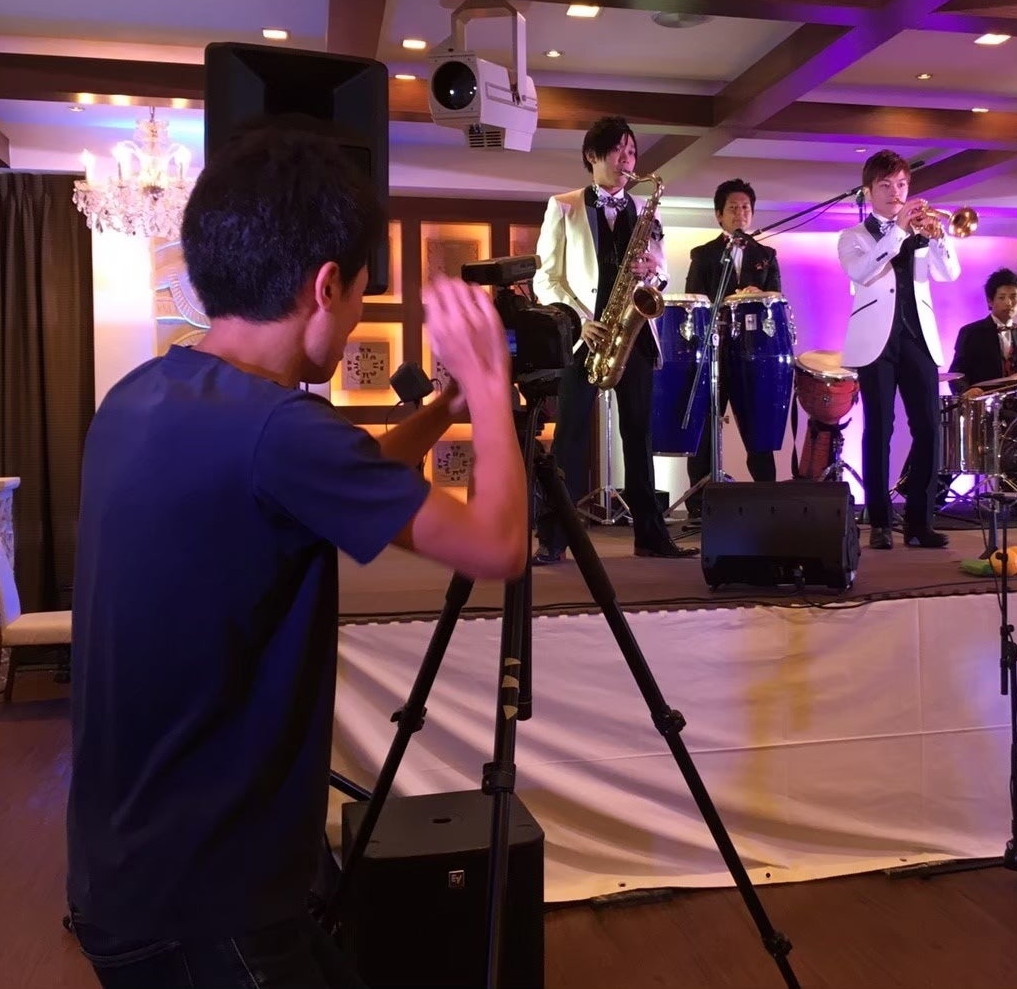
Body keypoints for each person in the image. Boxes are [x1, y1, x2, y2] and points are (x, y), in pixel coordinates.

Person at [66, 122, 527, 989]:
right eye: (358, 296)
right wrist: (494, 389)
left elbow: (336, 476)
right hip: (207, 902)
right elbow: (497, 544)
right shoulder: (280, 431)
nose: (354, 319)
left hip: (127, 869)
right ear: (325, 285)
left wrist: (445, 407)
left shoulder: (146, 393)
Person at [531, 115, 697, 562]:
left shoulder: (645, 209)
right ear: (593, 155)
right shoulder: (563, 206)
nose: (628, 159)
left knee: (639, 436)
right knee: (569, 439)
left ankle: (650, 536)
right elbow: (546, 279)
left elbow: (661, 274)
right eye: (619, 150)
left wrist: (652, 273)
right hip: (585, 337)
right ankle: (553, 538)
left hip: (633, 334)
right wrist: (578, 321)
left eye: (632, 151)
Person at [838, 149, 961, 550]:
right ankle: (879, 521)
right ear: (868, 191)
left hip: (917, 338)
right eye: (886, 185)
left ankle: (920, 523)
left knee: (928, 428)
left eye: (902, 184)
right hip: (876, 342)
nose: (896, 192)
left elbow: (949, 273)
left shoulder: (922, 231)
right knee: (879, 430)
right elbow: (862, 272)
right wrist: (899, 232)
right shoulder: (853, 237)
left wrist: (939, 239)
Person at [683, 178, 782, 516]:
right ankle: (699, 506)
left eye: (746, 208)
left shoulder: (766, 255)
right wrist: (725, 300)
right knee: (707, 426)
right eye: (733, 208)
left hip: (753, 354)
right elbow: (694, 300)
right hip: (715, 351)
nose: (741, 213)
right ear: (719, 215)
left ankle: (769, 502)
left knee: (758, 426)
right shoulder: (704, 254)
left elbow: (777, 298)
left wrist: (759, 294)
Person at [948, 268, 1017, 398]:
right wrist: (965, 392)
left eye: (1013, 297)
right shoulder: (971, 332)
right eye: (1002, 297)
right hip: (984, 403)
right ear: (990, 301)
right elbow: (956, 372)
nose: (1009, 303)